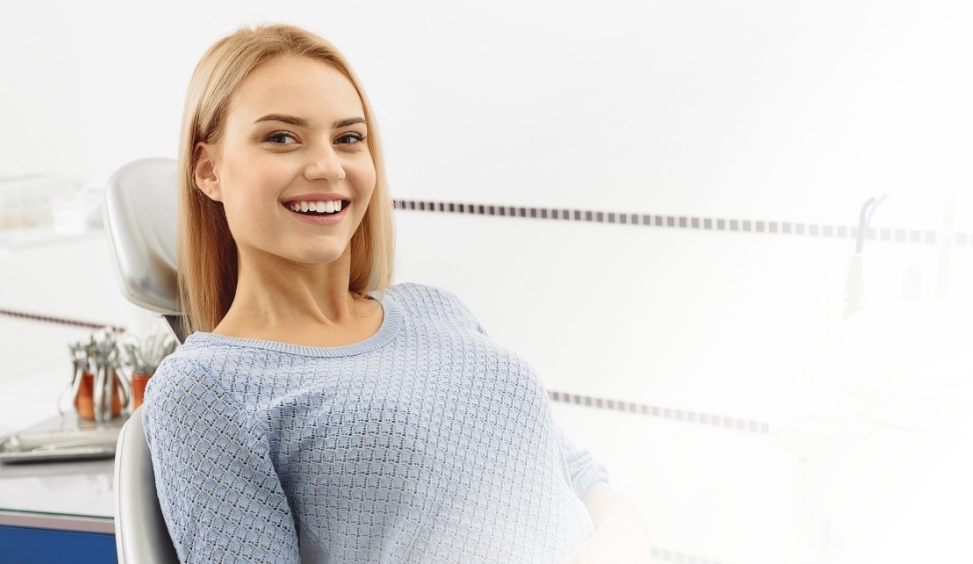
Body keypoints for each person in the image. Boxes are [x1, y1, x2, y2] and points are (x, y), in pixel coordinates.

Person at [142, 23, 650, 563]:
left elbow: (581, 479)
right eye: (281, 137)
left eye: (348, 138)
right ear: (208, 170)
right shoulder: (204, 390)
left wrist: (623, 544)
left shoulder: (435, 308)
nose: (328, 167)